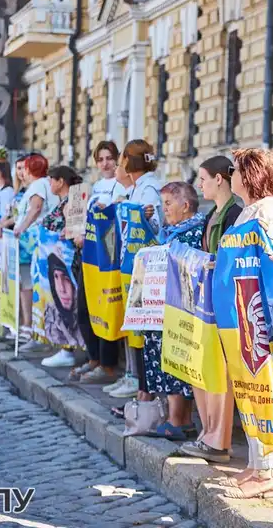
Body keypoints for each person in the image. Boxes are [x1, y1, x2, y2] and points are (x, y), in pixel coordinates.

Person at [225, 147, 273, 500]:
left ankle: (267, 472)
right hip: (240, 309)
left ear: (248, 175)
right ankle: (255, 463)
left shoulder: (267, 213)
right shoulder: (249, 211)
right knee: (248, 388)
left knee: (262, 389)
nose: (231, 174)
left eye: (235, 169)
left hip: (258, 313)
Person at [181, 155, 243, 464]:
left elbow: (230, 258)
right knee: (202, 369)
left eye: (203, 179)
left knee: (220, 372)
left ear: (220, 179)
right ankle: (207, 432)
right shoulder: (212, 213)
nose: (199, 185)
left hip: (223, 303)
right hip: (205, 303)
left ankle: (219, 438)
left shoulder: (235, 213)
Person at [137, 181, 204, 439]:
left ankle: (178, 419)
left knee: (174, 359)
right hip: (163, 305)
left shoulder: (192, 232)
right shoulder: (173, 231)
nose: (164, 209)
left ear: (185, 205)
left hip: (178, 308)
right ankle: (179, 418)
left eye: (168, 203)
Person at [105, 140, 163, 400]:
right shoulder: (139, 187)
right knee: (133, 326)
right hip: (133, 264)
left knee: (141, 329)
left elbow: (153, 225)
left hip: (145, 268)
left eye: (121, 160)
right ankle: (136, 380)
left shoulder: (149, 188)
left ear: (130, 161)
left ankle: (142, 385)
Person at [74, 142, 125, 385]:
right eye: (100, 159)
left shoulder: (120, 185)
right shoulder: (95, 187)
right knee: (85, 307)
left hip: (110, 257)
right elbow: (85, 216)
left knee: (106, 310)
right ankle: (93, 357)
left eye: (109, 158)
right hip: (91, 254)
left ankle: (108, 365)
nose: (105, 163)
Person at [13, 153, 59, 350]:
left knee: (31, 285)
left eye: (24, 168)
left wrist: (21, 227)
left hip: (32, 242)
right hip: (34, 243)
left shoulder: (39, 185)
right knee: (29, 285)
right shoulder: (40, 185)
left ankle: (35, 329)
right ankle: (31, 328)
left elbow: (35, 209)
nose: (21, 172)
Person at [41, 165, 84, 368]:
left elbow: (74, 229)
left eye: (51, 180)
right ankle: (66, 347)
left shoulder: (72, 201)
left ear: (60, 181)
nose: (49, 184)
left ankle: (69, 348)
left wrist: (65, 232)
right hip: (58, 261)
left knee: (69, 302)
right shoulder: (65, 201)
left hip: (68, 261)